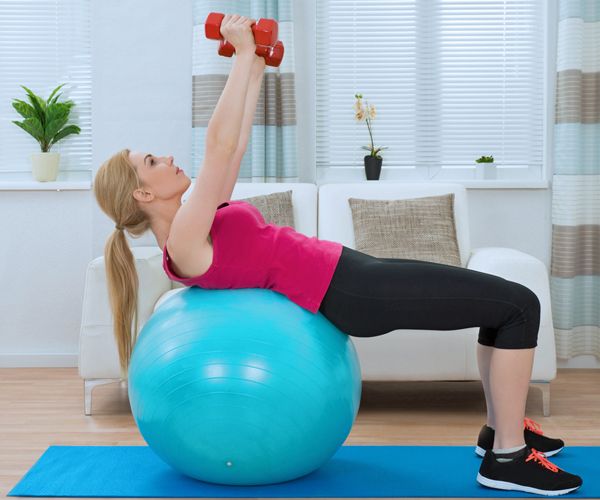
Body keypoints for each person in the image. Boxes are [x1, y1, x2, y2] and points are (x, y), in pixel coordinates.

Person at [92, 14, 583, 496]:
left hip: (353, 274)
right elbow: (218, 150)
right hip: (354, 292)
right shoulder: (182, 239)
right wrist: (241, 55)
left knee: (502, 306)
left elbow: (235, 146)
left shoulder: (190, 223)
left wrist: (257, 66)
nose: (168, 158)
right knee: (521, 305)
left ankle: (500, 433)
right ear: (142, 196)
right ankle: (507, 460)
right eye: (151, 162)